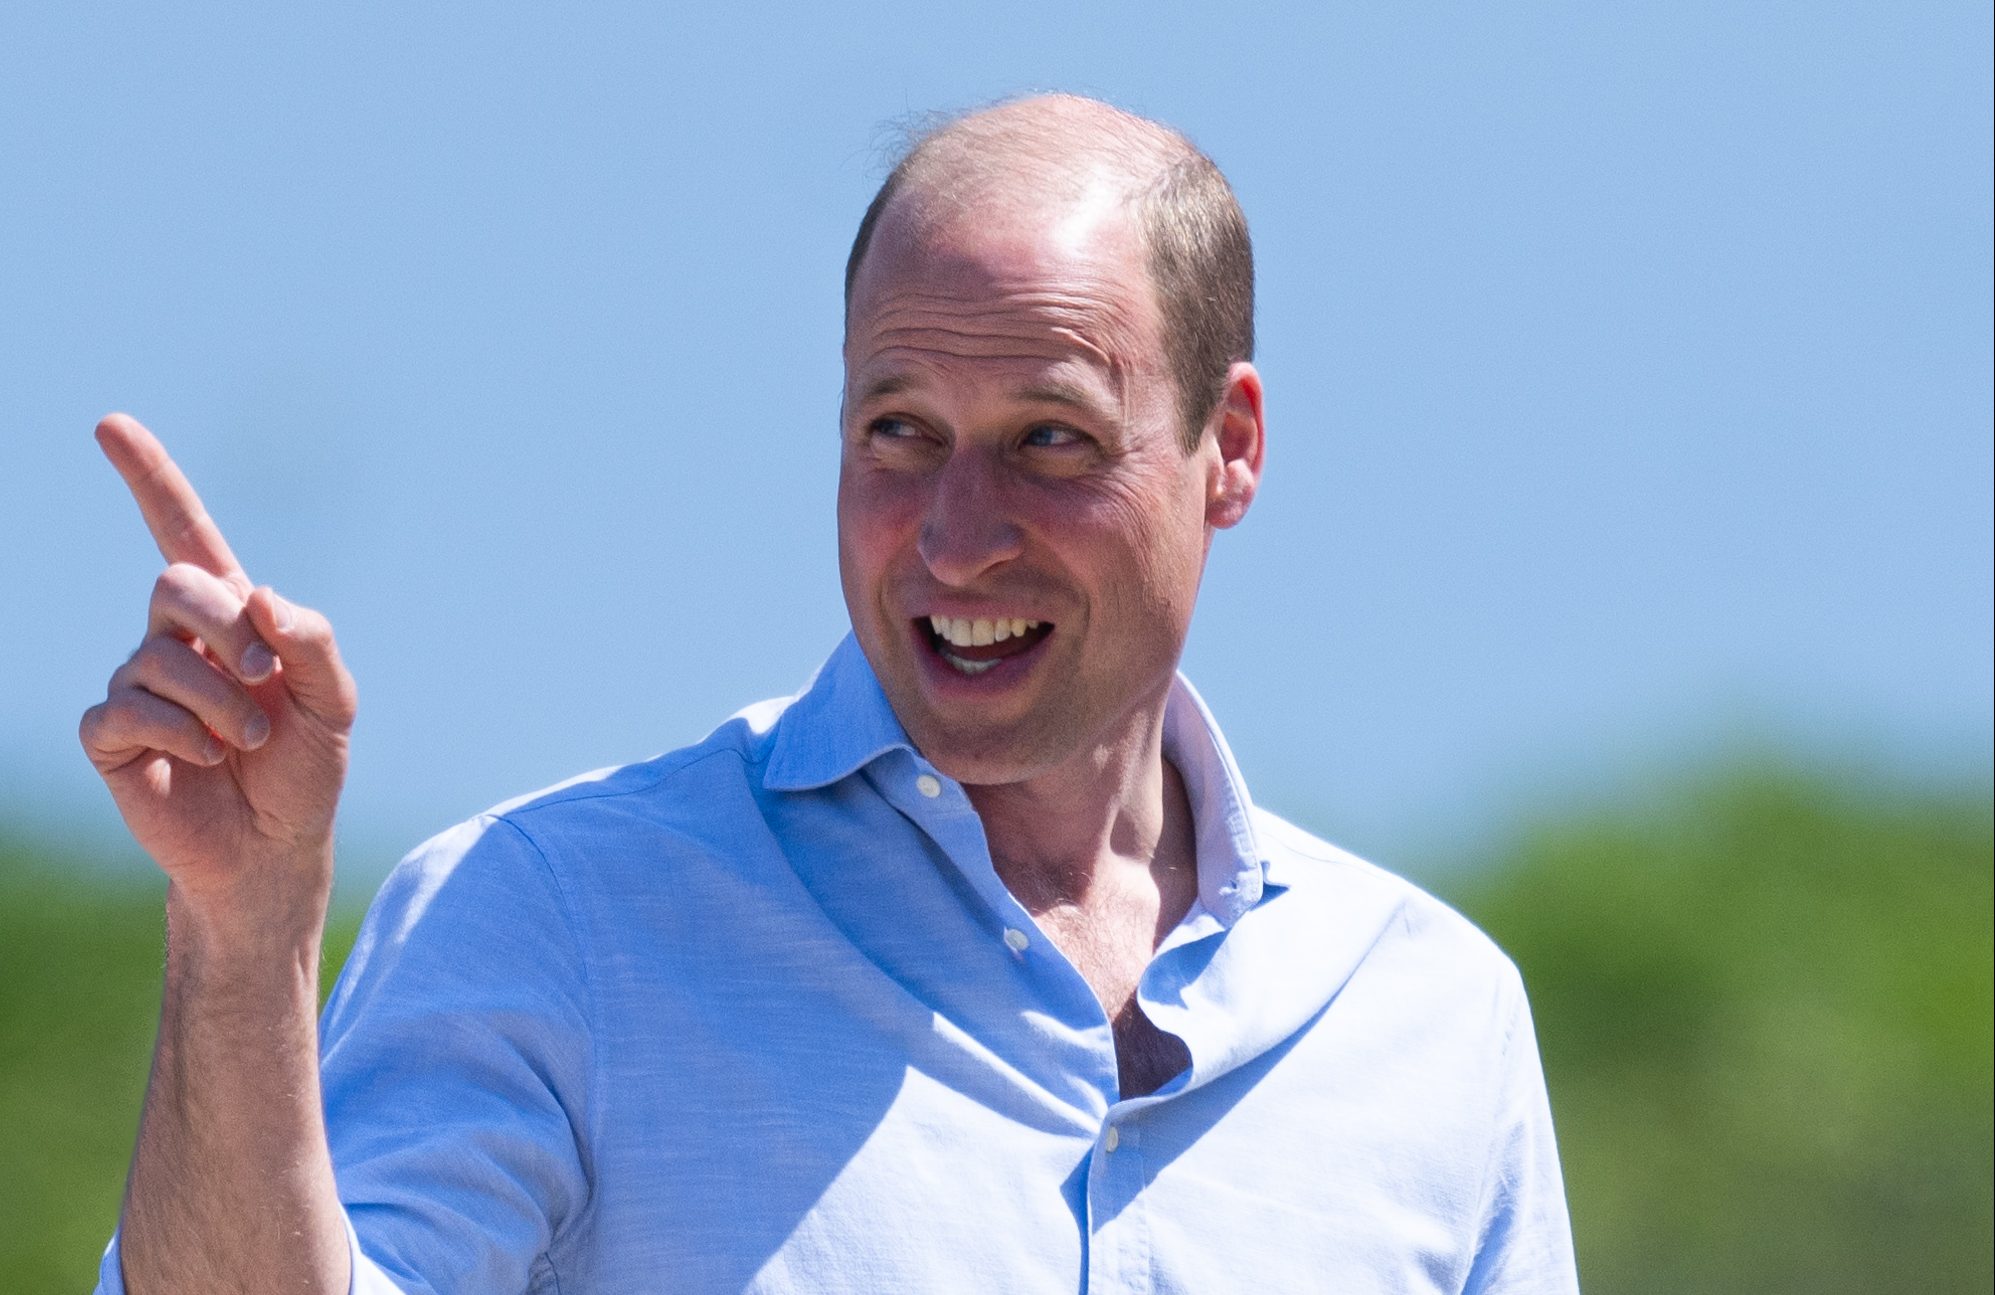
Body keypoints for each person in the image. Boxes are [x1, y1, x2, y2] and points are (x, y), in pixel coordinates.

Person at [83, 94, 1579, 1294]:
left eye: (1049, 440)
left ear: (1229, 446)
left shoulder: (1430, 1020)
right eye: (899, 429)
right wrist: (243, 935)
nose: (955, 534)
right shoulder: (557, 914)